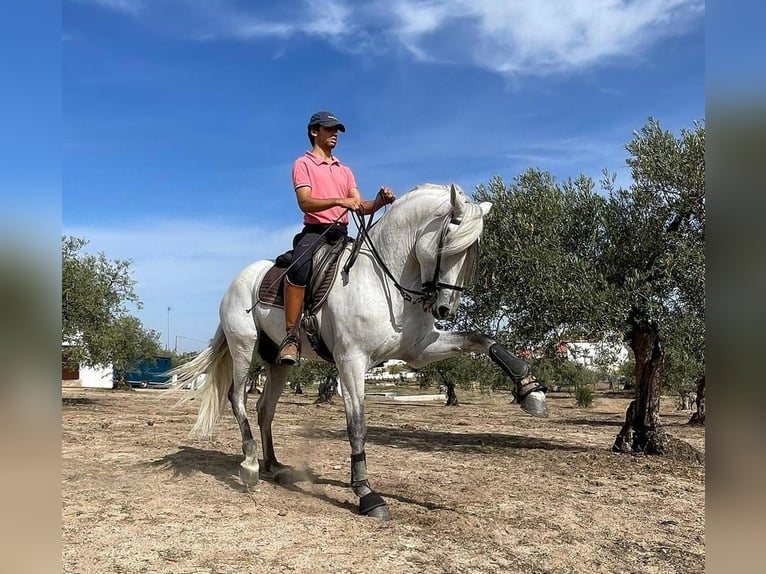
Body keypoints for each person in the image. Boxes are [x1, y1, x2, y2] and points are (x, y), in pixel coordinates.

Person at [278, 111, 396, 365]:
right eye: (329, 130)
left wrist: (378, 202)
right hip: (315, 232)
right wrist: (338, 200)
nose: (334, 135)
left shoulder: (344, 170)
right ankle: (291, 337)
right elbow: (305, 202)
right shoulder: (303, 164)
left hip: (342, 234)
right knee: (298, 269)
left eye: (336, 131)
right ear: (314, 132)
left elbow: (359, 206)